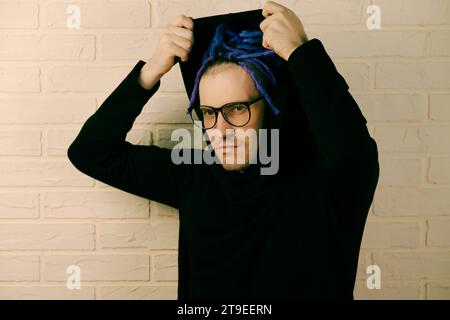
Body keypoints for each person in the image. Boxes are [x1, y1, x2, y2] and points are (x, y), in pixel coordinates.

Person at [68, 1, 379, 300]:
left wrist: (301, 52)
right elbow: (91, 152)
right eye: (209, 112)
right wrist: (150, 71)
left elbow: (353, 152)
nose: (221, 130)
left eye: (237, 108)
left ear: (271, 108)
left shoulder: (324, 181)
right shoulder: (194, 175)